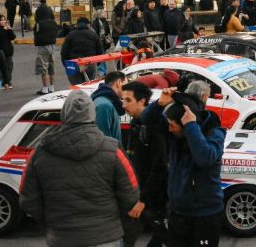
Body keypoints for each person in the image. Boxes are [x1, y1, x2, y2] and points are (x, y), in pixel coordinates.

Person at [19, 90, 139, 247]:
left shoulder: (40, 153)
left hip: (62, 237)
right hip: (107, 237)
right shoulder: (112, 149)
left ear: (64, 115)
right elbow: (131, 195)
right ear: (92, 114)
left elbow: (27, 199)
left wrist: (52, 220)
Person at [145, 88, 226, 246]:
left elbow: (204, 157)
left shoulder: (214, 134)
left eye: (172, 125)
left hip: (204, 217)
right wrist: (160, 103)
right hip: (178, 214)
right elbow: (146, 118)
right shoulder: (176, 135)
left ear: (185, 123)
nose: (169, 129)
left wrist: (191, 126)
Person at [121, 81, 168, 247]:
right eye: (122, 100)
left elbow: (160, 165)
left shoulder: (154, 125)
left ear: (142, 101)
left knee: (162, 238)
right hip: (140, 196)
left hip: (155, 199)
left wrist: (144, 199)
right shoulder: (136, 124)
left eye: (128, 100)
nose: (124, 105)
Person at [61, 17, 105, 84]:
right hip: (90, 63)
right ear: (87, 25)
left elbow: (64, 52)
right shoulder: (94, 35)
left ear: (77, 25)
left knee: (77, 87)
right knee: (89, 86)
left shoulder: (70, 35)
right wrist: (96, 63)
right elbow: (100, 51)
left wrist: (67, 65)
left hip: (73, 64)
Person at [91, 71, 126, 142]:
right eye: (126, 84)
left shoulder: (106, 102)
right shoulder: (104, 106)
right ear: (119, 83)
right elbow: (103, 141)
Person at [34, 9, 59, 95]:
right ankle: (52, 87)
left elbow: (36, 34)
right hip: (52, 46)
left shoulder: (39, 23)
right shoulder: (53, 22)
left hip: (43, 46)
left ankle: (45, 89)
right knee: (52, 66)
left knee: (43, 67)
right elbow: (57, 32)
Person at [0, 14, 16, 90]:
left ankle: (8, 82)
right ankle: (2, 82)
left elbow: (13, 37)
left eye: (4, 20)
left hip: (8, 51)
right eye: (1, 20)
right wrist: (3, 30)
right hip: (0, 51)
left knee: (9, 67)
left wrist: (10, 30)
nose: (3, 21)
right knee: (1, 67)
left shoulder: (7, 28)